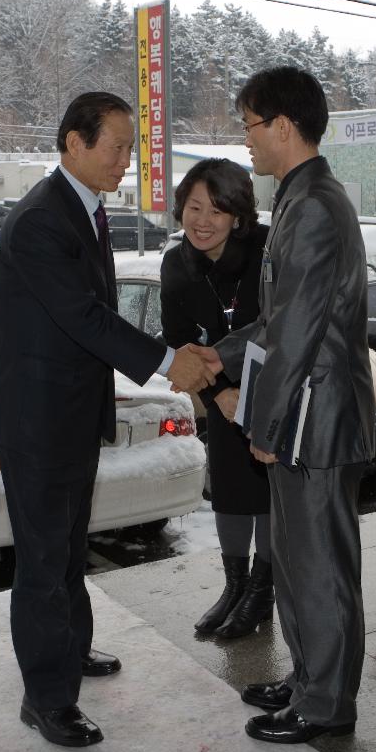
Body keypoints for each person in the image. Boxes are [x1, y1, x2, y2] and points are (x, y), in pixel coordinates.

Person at [0, 91, 216, 748]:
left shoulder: (84, 211)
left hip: (71, 409)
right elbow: (84, 317)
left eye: (131, 147)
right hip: (35, 419)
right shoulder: (39, 221)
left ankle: (68, 648)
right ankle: (46, 698)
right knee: (42, 557)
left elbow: (84, 325)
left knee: (67, 545)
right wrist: (171, 362)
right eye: (116, 146)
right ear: (72, 144)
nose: (126, 159)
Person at [190, 66, 374, 745]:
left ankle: (327, 701)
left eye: (250, 125)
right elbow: (278, 321)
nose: (246, 141)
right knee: (298, 563)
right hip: (306, 414)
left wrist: (261, 420)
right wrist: (222, 356)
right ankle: (307, 678)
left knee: (319, 569)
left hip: (315, 421)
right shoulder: (302, 199)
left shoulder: (317, 205)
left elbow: (295, 332)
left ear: (284, 127)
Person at [159, 158, 272, 640]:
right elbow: (179, 339)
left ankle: (262, 592)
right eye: (194, 207)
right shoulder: (176, 264)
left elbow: (285, 323)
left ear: (238, 216)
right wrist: (222, 393)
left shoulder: (265, 250)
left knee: (267, 493)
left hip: (271, 392)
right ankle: (235, 586)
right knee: (228, 490)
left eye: (218, 210)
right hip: (220, 399)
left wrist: (247, 390)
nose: (203, 221)